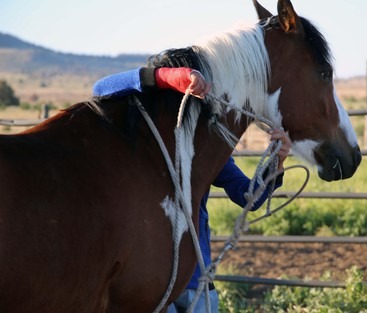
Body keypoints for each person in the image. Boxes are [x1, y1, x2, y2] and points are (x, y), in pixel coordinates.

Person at [93, 67, 292, 312]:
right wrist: (168, 77)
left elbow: (248, 196)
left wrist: (276, 162)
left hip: (195, 279)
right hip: (148, 280)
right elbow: (101, 88)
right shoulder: (145, 146)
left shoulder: (207, 152)